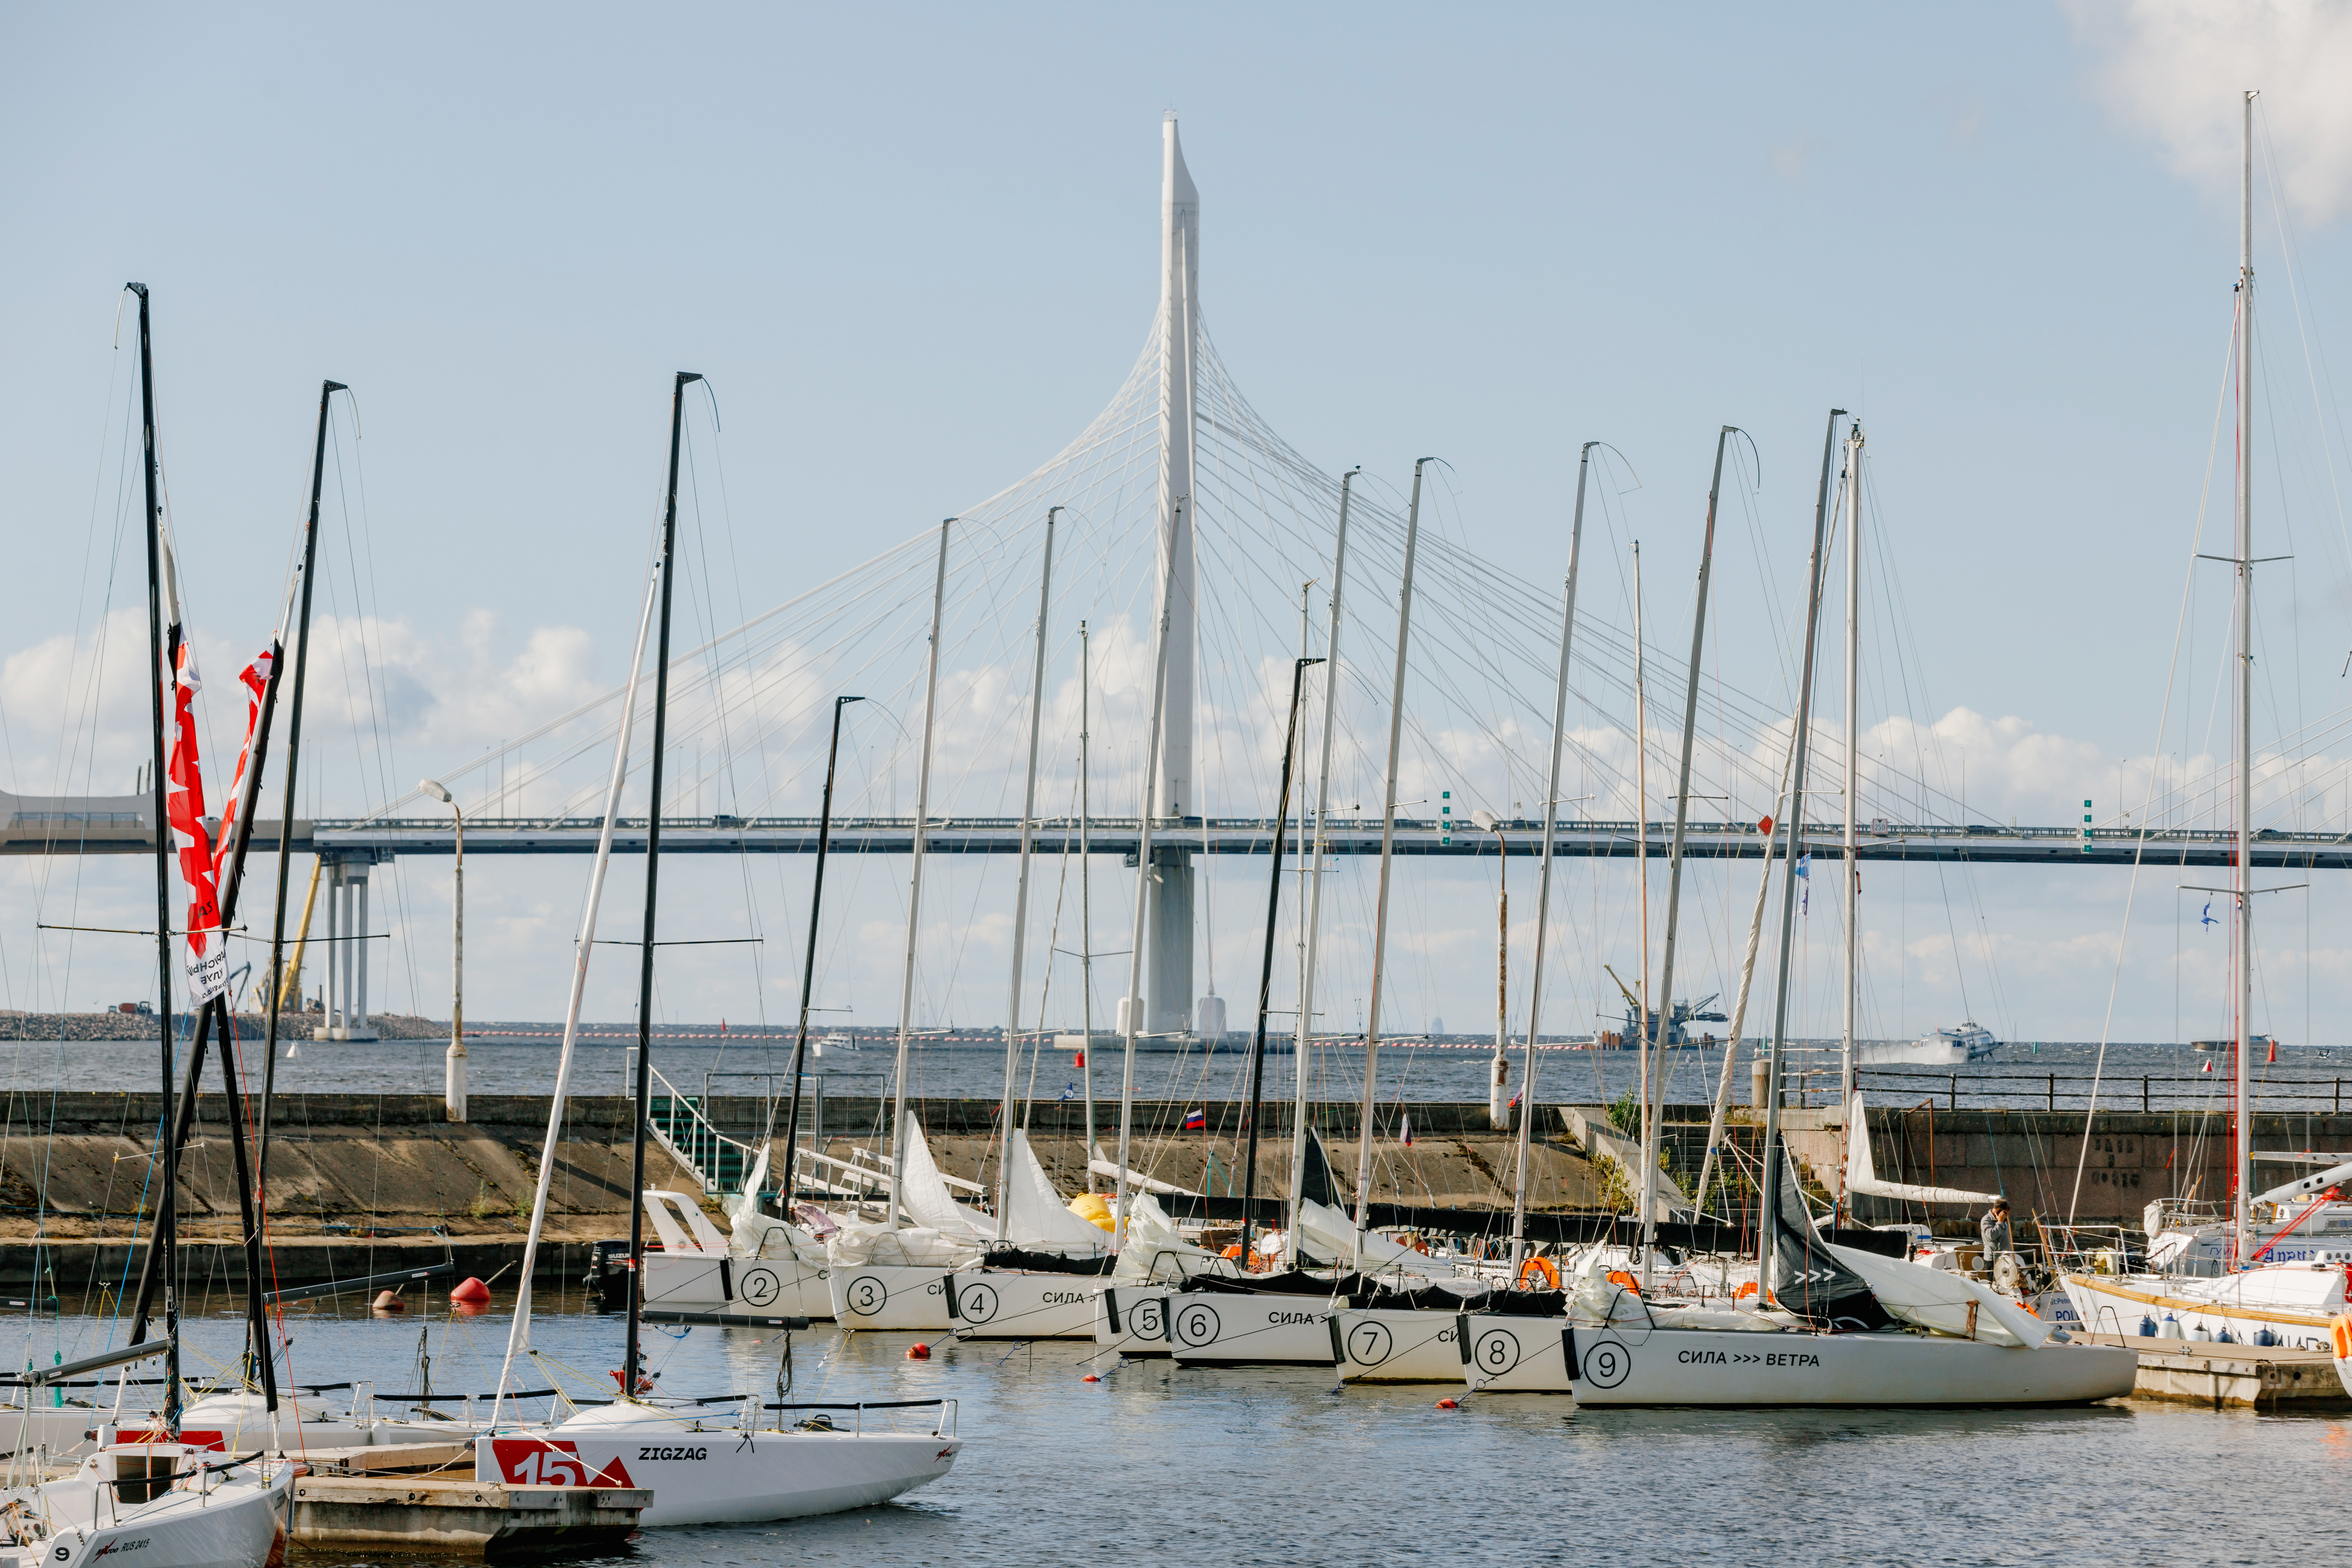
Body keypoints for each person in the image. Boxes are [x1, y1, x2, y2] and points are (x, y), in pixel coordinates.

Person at [1978, 1197, 2012, 1267]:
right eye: (2005, 1213)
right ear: (1998, 1211)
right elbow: (1992, 1235)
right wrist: (2000, 1222)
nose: (2006, 1216)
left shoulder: (2003, 1220)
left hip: (2004, 1258)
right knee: (1993, 1279)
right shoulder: (1986, 1220)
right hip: (1993, 1260)